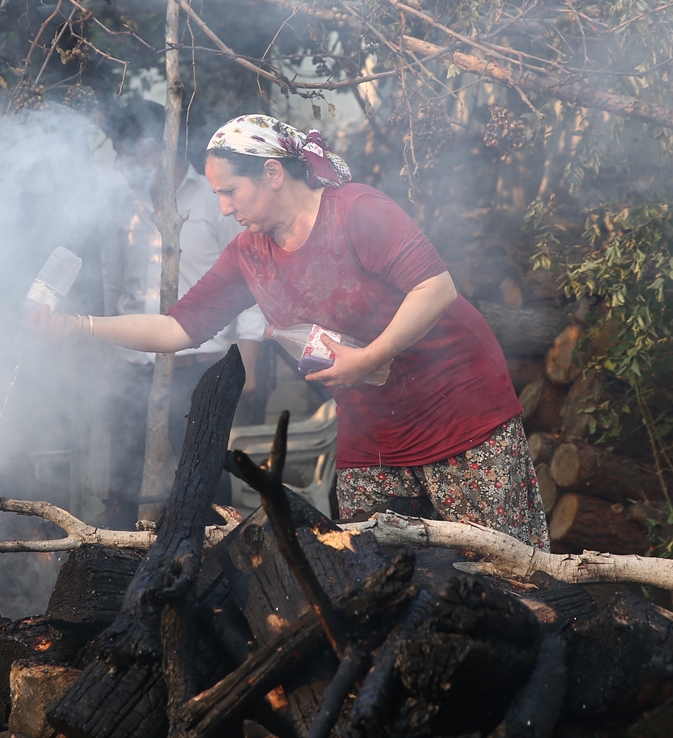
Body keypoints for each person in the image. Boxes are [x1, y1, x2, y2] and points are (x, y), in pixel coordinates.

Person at [41, 114, 548, 548]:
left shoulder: (357, 211)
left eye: (229, 192)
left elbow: (436, 289)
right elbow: (178, 327)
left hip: (457, 409)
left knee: (499, 573)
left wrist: (370, 357)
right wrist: (79, 326)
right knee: (381, 576)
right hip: (371, 427)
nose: (222, 208)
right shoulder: (249, 253)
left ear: (272, 173)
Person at [99, 101, 266, 523]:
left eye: (128, 150)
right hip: (135, 368)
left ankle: (213, 571)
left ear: (158, 147)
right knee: (125, 475)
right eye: (117, 152)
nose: (121, 162)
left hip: (200, 364)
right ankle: (119, 570)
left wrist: (247, 357)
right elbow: (112, 281)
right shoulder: (123, 205)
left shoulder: (217, 200)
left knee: (202, 480)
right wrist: (110, 347)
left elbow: (253, 278)